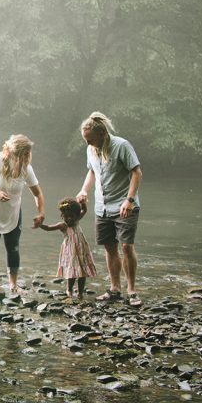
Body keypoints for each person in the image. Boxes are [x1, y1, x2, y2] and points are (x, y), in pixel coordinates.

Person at [75, 111, 143, 306]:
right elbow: (92, 172)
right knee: (110, 247)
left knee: (126, 246)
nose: (88, 144)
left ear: (102, 134)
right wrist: (84, 191)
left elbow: (137, 173)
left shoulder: (122, 146)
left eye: (90, 139)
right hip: (102, 206)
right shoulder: (91, 149)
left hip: (124, 204)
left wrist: (129, 200)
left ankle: (131, 291)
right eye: (85, 140)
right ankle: (115, 289)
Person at [0, 134, 46, 297]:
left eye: (28, 154)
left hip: (12, 209)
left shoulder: (26, 168)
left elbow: (37, 193)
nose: (27, 157)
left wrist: (41, 213)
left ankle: (13, 285)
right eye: (23, 154)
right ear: (14, 152)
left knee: (13, 246)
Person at [35, 198, 97, 299]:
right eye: (66, 216)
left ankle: (80, 292)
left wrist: (83, 203)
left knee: (82, 271)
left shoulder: (77, 220)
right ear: (62, 216)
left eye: (71, 216)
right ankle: (69, 289)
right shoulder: (62, 225)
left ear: (76, 216)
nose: (68, 219)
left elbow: (84, 210)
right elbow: (49, 228)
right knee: (71, 271)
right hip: (70, 251)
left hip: (81, 250)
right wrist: (40, 224)